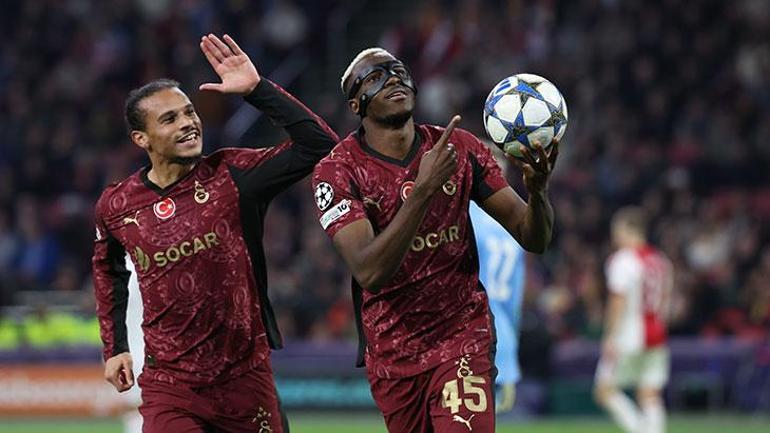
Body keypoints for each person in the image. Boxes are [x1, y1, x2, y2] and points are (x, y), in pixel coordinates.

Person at [92, 34, 338, 433]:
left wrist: (258, 90)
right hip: (171, 386)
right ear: (141, 139)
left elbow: (321, 146)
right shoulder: (116, 205)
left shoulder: (232, 176)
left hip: (245, 378)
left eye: (189, 112)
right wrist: (115, 347)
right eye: (170, 119)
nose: (188, 123)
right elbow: (108, 270)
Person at [311, 47, 558, 433]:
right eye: (375, 77)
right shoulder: (337, 171)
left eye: (398, 71)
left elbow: (533, 238)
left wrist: (538, 193)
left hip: (463, 334)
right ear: (356, 104)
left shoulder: (460, 148)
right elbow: (369, 271)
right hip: (393, 352)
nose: (393, 79)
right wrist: (423, 189)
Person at [594, 207, 673, 433]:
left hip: (628, 335)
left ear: (628, 230)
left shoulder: (623, 260)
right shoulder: (661, 260)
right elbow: (666, 300)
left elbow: (618, 301)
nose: (614, 236)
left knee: (604, 391)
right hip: (657, 334)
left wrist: (610, 336)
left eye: (617, 230)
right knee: (649, 394)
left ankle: (640, 429)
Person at [469, 150, 526, 413]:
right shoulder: (516, 218)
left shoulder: (466, 212)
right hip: (503, 334)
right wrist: (511, 337)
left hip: (467, 330)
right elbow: (516, 296)